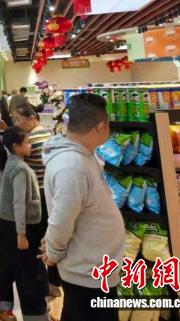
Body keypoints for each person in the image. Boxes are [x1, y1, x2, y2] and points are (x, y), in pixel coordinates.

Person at [40, 93, 125, 321]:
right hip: (87, 273)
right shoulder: (72, 166)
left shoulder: (82, 156)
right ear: (101, 126)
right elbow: (61, 219)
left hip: (94, 268)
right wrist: (53, 253)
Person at [0, 127, 49, 321]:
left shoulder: (7, 162)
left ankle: (0, 305)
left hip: (6, 224)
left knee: (8, 265)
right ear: (16, 147)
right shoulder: (20, 169)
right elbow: (19, 203)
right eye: (27, 142)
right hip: (19, 227)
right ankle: (36, 316)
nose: (31, 145)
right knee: (29, 273)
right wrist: (21, 234)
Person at [12, 104, 61, 296]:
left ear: (32, 118)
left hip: (37, 194)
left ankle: (43, 284)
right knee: (49, 237)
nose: (16, 123)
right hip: (48, 192)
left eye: (18, 119)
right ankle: (54, 281)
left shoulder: (30, 139)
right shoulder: (47, 133)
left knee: (37, 240)